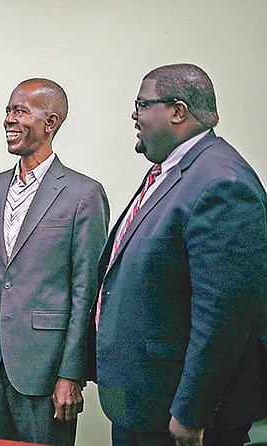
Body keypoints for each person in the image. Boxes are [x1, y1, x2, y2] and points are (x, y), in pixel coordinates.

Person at [91, 63, 267, 446]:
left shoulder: (222, 183)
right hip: (145, 402)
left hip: (178, 416)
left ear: (177, 111)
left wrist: (192, 411)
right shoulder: (173, 170)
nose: (134, 116)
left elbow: (224, 316)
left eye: (141, 104)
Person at [0, 78, 109, 445]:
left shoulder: (84, 193)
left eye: (20, 111)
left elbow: (86, 292)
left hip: (46, 372)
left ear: (50, 122)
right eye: (7, 111)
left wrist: (71, 374)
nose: (8, 120)